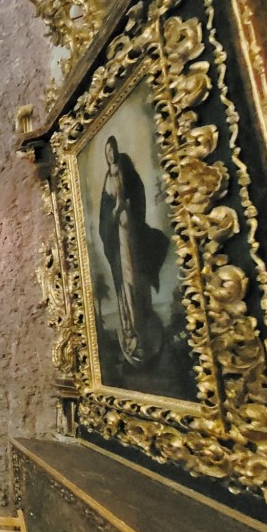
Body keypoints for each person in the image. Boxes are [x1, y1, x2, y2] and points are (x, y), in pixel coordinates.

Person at [98, 135, 169, 365]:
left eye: (112, 150)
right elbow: (103, 217)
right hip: (117, 238)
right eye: (107, 151)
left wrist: (127, 206)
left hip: (131, 234)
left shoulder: (125, 168)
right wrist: (114, 212)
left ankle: (144, 326)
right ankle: (130, 328)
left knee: (136, 277)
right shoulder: (107, 179)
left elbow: (137, 192)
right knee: (125, 281)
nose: (110, 154)